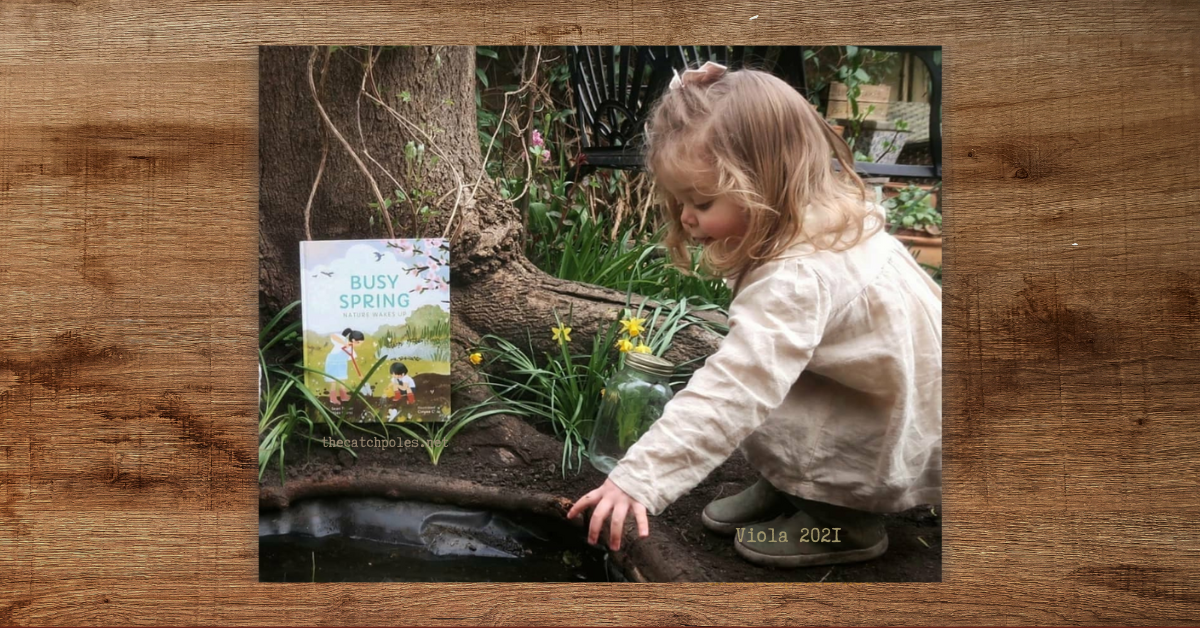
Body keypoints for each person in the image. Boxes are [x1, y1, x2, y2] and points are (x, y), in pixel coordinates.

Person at [567, 62, 942, 569]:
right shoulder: (818, 213)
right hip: (866, 384)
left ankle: (843, 520)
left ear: (765, 183)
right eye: (679, 200)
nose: (685, 217)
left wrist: (639, 477)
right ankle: (792, 484)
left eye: (701, 200)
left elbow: (737, 385)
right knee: (785, 384)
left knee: (763, 386)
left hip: (881, 416)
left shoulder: (798, 276)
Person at [325, 328, 365, 405]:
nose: (360, 345)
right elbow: (333, 336)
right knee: (333, 381)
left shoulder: (351, 350)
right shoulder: (342, 340)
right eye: (359, 343)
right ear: (353, 340)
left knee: (342, 380)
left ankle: (343, 395)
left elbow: (354, 362)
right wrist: (343, 343)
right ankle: (333, 398)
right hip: (332, 363)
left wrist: (359, 374)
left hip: (342, 365)